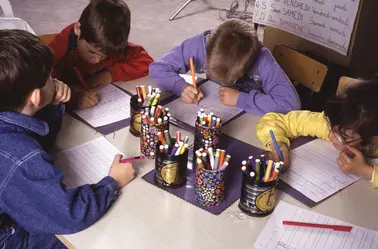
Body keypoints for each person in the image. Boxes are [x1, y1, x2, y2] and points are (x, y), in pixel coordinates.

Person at [0, 30, 135, 249]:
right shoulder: (20, 158)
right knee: (100, 235)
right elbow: (69, 214)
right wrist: (113, 182)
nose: (54, 80)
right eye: (49, 78)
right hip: (9, 237)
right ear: (35, 96)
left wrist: (52, 103)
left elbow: (37, 139)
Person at [149, 18, 300, 115]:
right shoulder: (200, 45)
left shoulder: (263, 60)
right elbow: (157, 68)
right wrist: (180, 87)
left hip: (249, 118)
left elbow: (291, 105)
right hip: (214, 110)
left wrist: (241, 99)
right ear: (208, 43)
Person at [256, 78, 378, 188]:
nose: (330, 136)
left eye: (343, 137)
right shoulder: (336, 124)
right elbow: (272, 121)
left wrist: (365, 170)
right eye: (331, 128)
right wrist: (278, 144)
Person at [49, 0, 153, 109]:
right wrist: (73, 97)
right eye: (91, 51)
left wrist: (112, 74)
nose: (97, 60)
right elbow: (39, 80)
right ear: (77, 30)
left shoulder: (110, 43)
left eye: (105, 55)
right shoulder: (60, 47)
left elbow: (145, 61)